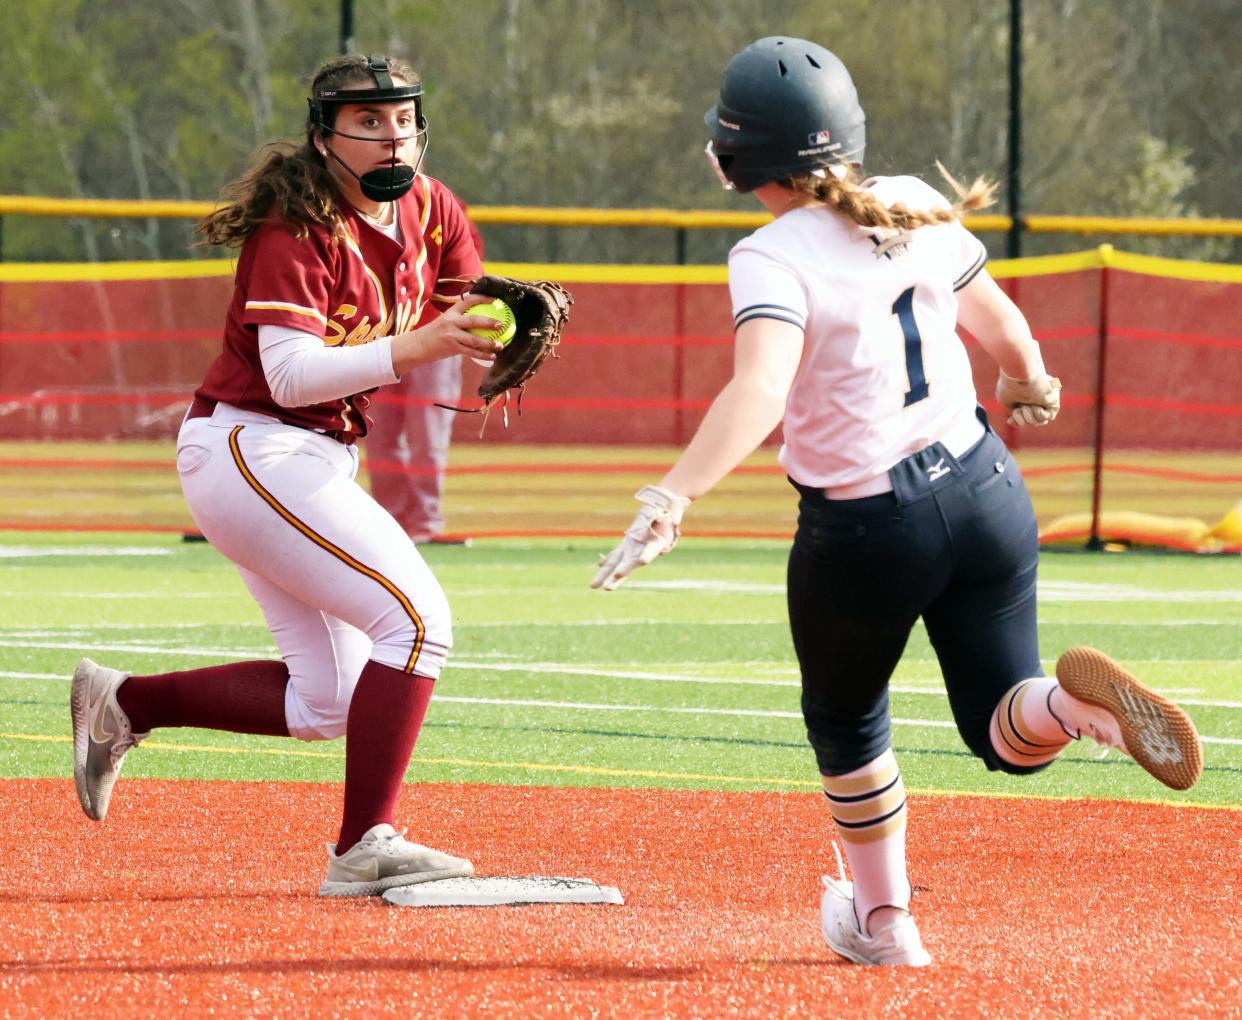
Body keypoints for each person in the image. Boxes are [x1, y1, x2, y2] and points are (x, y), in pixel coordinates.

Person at [591, 36, 1203, 966]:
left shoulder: (768, 254)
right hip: (988, 484)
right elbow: (996, 319)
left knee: (847, 723)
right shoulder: (915, 197)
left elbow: (758, 390)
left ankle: (885, 924)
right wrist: (1030, 380)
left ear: (734, 158)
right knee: (1005, 726)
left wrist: (671, 495)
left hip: (869, 526)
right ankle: (1078, 713)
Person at [70, 53, 508, 897]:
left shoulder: (433, 207)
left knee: (330, 702)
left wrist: (505, 336)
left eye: (404, 120)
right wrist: (418, 345)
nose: (392, 137)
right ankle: (363, 847)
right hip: (252, 446)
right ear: (324, 134)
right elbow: (291, 376)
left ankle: (123, 705)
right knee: (416, 624)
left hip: (310, 458)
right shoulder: (296, 223)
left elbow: (470, 308)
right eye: (368, 122)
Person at [366, 204, 485, 544]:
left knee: (427, 432)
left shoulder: (442, 207)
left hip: (436, 337)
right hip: (379, 336)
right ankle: (390, 519)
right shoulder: (359, 205)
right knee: (377, 431)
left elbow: (467, 271)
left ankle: (424, 520)